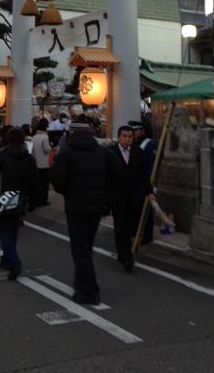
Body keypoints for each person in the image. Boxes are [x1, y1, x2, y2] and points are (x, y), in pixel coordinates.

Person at [50, 117, 123, 305]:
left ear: (71, 133)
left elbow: (57, 180)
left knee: (80, 248)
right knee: (86, 246)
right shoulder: (102, 152)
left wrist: (68, 190)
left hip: (75, 206)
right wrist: (107, 195)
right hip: (97, 206)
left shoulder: (66, 153)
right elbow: (119, 173)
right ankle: (81, 284)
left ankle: (89, 291)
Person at [0, 127, 37, 281]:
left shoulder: (2, 155)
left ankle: (14, 262)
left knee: (4, 231)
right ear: (23, 140)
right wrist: (32, 200)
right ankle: (7, 259)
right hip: (21, 197)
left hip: (4, 196)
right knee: (13, 229)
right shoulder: (29, 157)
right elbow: (34, 181)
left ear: (8, 140)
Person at [108, 125, 155, 272]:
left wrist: (149, 191)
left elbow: (144, 174)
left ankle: (123, 253)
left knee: (129, 227)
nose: (127, 139)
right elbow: (106, 175)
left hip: (134, 197)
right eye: (124, 136)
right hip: (117, 197)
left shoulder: (138, 152)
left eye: (130, 137)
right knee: (121, 227)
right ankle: (126, 257)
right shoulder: (111, 152)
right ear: (119, 137)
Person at [128, 120, 157, 244]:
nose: (134, 133)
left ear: (142, 131)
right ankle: (134, 231)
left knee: (146, 210)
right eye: (133, 130)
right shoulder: (133, 143)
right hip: (134, 182)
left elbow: (151, 165)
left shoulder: (149, 144)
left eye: (136, 130)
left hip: (145, 182)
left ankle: (147, 235)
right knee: (134, 209)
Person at [31, 118, 52, 206]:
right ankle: (43, 201)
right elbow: (47, 150)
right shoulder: (45, 137)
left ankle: (36, 199)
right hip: (43, 164)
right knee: (44, 184)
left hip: (35, 164)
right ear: (46, 127)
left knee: (37, 184)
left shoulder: (34, 137)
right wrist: (51, 146)